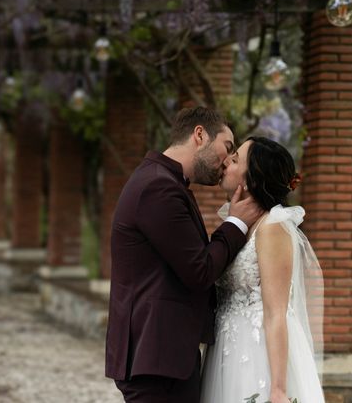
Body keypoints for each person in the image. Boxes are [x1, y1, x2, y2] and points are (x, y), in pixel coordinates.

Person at [105, 106, 265, 403]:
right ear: (200, 135)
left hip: (163, 356)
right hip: (155, 359)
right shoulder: (158, 187)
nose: (228, 160)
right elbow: (199, 270)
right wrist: (237, 222)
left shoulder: (163, 181)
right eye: (227, 147)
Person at [200, 136, 325, 403]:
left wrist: (278, 389)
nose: (226, 163)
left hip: (257, 354)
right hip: (226, 350)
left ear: (250, 180)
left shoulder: (272, 228)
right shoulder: (242, 226)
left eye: (234, 160)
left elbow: (276, 312)